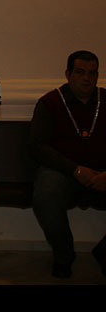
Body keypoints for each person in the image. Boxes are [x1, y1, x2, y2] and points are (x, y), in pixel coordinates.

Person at [28, 50, 106, 278]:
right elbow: (37, 146)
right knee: (46, 193)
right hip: (64, 171)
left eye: (92, 73)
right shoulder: (50, 102)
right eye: (80, 72)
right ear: (68, 74)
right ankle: (64, 254)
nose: (86, 78)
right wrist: (75, 169)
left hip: (102, 171)